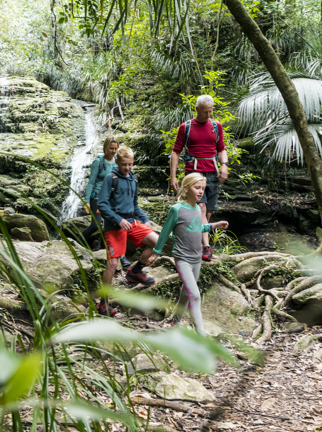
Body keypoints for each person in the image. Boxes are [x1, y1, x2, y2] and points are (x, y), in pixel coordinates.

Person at [147, 173, 229, 336]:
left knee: (186, 292)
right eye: (196, 188)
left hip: (196, 258)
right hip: (182, 258)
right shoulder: (176, 210)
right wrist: (155, 253)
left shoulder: (199, 209)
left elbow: (197, 228)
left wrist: (215, 225)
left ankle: (175, 322)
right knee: (195, 295)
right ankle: (201, 335)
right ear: (186, 188)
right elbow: (165, 232)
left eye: (202, 189)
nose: (200, 192)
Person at [97, 146, 158, 315]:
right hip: (114, 225)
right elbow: (102, 205)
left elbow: (135, 205)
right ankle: (103, 303)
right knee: (113, 264)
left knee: (157, 242)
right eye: (124, 164)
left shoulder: (133, 179)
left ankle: (135, 272)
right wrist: (118, 219)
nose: (127, 168)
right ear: (116, 161)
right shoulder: (111, 178)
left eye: (130, 164)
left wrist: (145, 220)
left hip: (132, 221)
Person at [170, 94, 229, 262]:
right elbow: (176, 152)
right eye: (205, 112)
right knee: (201, 207)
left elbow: (221, 149)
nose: (208, 115)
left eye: (210, 112)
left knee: (208, 211)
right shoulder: (186, 127)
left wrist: (224, 165)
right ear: (196, 109)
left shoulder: (216, 126)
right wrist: (173, 176)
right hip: (193, 173)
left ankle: (197, 240)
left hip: (212, 172)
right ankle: (206, 247)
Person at [82, 136, 131, 268]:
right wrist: (86, 201)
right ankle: (78, 241)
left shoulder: (117, 163)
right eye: (111, 148)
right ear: (105, 147)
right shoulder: (99, 162)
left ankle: (105, 249)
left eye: (115, 149)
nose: (113, 151)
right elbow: (91, 182)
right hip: (97, 197)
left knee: (111, 226)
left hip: (111, 199)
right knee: (96, 225)